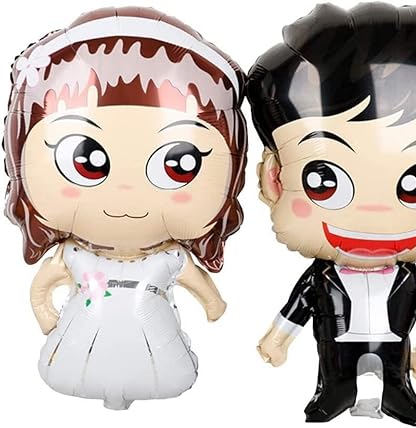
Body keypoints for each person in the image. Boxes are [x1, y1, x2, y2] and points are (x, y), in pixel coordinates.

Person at [246, 3, 416, 425]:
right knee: (335, 385)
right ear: (274, 179)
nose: (373, 211)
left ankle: (399, 396)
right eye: (323, 180)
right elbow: (298, 306)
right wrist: (278, 338)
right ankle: (334, 394)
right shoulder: (321, 280)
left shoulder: (410, 281)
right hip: (337, 353)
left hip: (395, 354)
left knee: (397, 390)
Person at [4, 6, 247, 409]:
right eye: (86, 161)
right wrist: (47, 318)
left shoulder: (169, 259)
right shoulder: (74, 257)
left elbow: (202, 288)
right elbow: (41, 289)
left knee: (164, 369)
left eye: (178, 164)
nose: (126, 191)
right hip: (77, 348)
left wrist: (213, 304)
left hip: (156, 356)